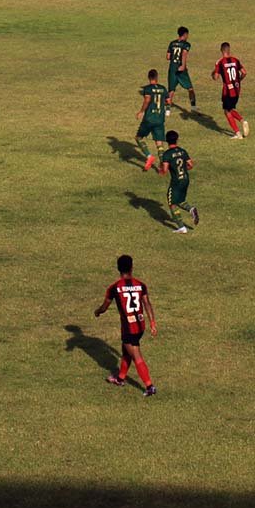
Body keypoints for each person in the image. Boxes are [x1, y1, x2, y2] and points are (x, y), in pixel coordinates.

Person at [95, 254, 157, 396]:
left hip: (129, 329)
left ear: (118, 269)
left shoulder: (115, 288)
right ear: (132, 267)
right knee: (126, 352)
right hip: (140, 326)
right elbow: (147, 303)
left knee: (136, 356)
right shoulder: (141, 285)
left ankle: (149, 386)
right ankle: (120, 378)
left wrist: (97, 312)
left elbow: (104, 307)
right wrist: (152, 323)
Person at [159, 130, 198, 233]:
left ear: (167, 140)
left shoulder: (167, 154)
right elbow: (190, 165)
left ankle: (181, 227)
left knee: (172, 203)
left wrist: (161, 169)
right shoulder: (182, 151)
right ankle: (191, 209)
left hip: (176, 181)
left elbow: (165, 170)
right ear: (177, 139)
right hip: (185, 179)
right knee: (180, 200)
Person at [135, 69, 169, 172]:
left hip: (149, 118)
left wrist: (141, 111)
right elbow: (168, 101)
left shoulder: (148, 89)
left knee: (138, 137)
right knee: (159, 143)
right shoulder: (163, 88)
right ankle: (163, 166)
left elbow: (147, 100)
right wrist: (167, 111)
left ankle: (149, 156)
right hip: (160, 119)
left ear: (149, 77)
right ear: (157, 77)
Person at [213, 42, 249, 139]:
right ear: (229, 50)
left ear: (221, 50)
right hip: (237, 89)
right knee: (230, 109)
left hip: (227, 91)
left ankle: (238, 133)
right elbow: (244, 72)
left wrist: (214, 71)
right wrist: (239, 80)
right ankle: (242, 122)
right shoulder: (236, 60)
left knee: (227, 111)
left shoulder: (220, 62)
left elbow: (215, 77)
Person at [166, 26, 197, 115]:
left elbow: (167, 57)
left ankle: (167, 111)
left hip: (172, 68)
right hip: (180, 69)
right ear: (185, 34)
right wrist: (183, 65)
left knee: (171, 90)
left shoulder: (172, 43)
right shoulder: (186, 44)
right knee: (190, 88)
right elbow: (183, 54)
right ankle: (194, 107)